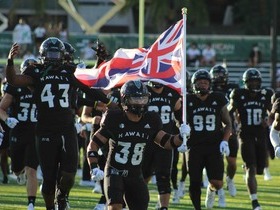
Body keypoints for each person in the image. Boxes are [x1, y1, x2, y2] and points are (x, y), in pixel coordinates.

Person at [6, 38, 115, 210]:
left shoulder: (69, 72)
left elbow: (89, 84)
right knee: (49, 178)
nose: (54, 57)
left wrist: (108, 102)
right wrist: (10, 61)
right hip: (45, 130)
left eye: (56, 54)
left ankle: (62, 196)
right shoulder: (36, 72)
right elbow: (13, 80)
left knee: (69, 173)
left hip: (66, 128)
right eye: (50, 54)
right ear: (43, 55)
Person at [87, 80, 190, 210]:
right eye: (136, 98)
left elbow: (166, 142)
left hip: (135, 174)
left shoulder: (151, 119)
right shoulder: (114, 117)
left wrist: (182, 136)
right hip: (115, 172)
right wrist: (94, 167)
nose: (140, 102)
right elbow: (93, 144)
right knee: (115, 207)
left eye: (143, 98)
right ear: (125, 100)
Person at [185, 69, 232, 210]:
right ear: (194, 84)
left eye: (205, 83)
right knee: (194, 182)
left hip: (214, 146)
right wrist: (182, 136)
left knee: (217, 182)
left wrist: (225, 140)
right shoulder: (188, 100)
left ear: (209, 84)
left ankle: (211, 191)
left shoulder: (218, 98)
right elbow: (179, 122)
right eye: (200, 83)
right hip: (194, 146)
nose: (203, 85)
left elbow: (228, 123)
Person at [228, 68, 273, 210]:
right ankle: (255, 202)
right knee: (251, 168)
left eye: (256, 81)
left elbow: (272, 112)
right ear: (246, 82)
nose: (254, 84)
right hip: (245, 133)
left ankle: (247, 169)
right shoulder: (238, 94)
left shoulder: (266, 94)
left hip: (260, 134)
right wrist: (232, 126)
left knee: (260, 168)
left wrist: (269, 121)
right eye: (251, 81)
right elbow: (228, 111)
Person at [0, 58, 39, 210]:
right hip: (18, 130)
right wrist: (7, 119)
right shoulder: (15, 87)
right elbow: (1, 108)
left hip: (35, 133)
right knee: (17, 168)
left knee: (32, 169)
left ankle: (31, 204)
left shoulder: (42, 87)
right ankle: (18, 172)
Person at [142, 81, 182, 209]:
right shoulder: (143, 92)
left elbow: (180, 118)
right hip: (145, 141)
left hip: (165, 142)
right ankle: (139, 202)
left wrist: (183, 133)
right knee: (142, 176)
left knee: (164, 176)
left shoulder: (172, 93)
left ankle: (164, 207)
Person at [210, 64, 240, 206]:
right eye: (216, 74)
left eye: (221, 74)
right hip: (215, 131)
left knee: (232, 162)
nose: (219, 77)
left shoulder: (233, 89)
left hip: (230, 129)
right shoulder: (208, 90)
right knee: (216, 162)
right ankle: (214, 188)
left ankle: (230, 179)